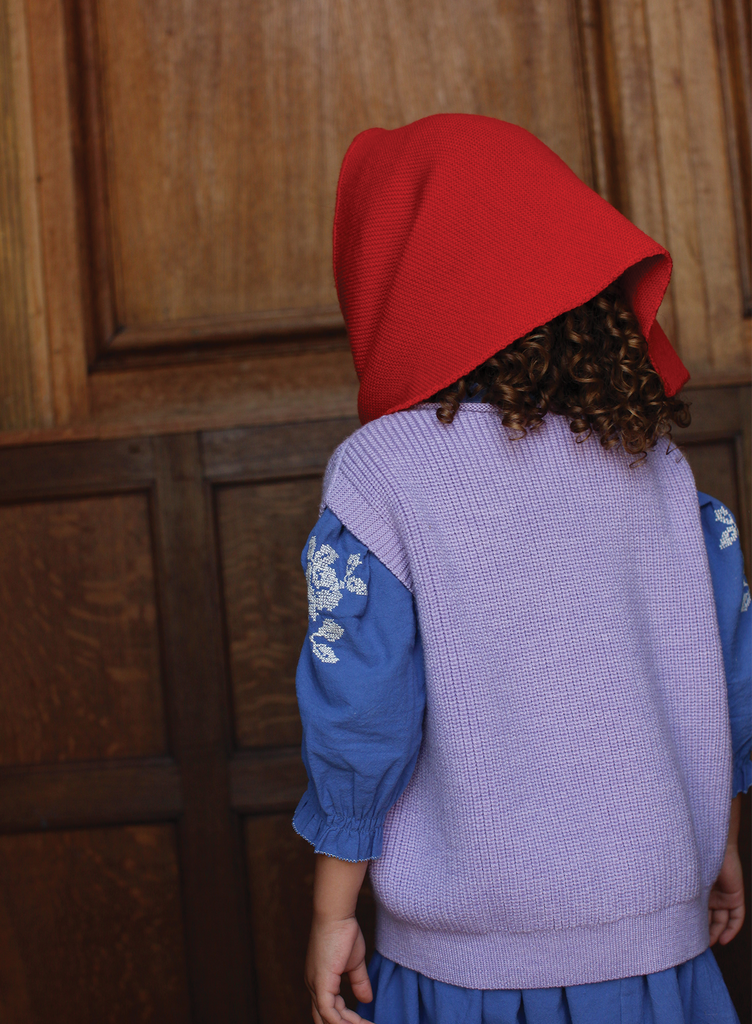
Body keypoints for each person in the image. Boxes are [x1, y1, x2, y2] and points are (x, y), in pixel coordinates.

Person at [291, 113, 751, 1024]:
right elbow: (723, 676)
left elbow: (362, 713)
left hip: (469, 975)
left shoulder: (385, 473)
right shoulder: (653, 462)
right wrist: (721, 842)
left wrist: (332, 910)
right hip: (661, 940)